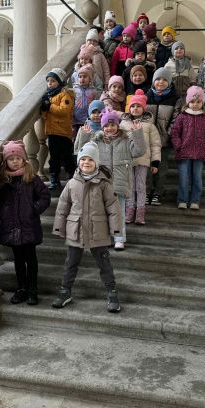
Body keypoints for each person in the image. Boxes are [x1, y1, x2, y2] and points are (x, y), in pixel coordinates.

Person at [51, 141, 122, 313]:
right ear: (78, 162)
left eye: (90, 159)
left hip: (98, 231)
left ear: (96, 162)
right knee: (70, 263)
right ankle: (65, 291)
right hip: (76, 230)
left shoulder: (104, 184)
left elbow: (113, 208)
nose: (86, 163)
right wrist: (59, 228)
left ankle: (112, 292)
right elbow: (63, 207)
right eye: (83, 159)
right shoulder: (71, 183)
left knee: (104, 264)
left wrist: (115, 230)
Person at [0, 140, 51, 305]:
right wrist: (0, 214)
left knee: (31, 259)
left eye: (18, 158)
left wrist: (33, 208)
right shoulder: (2, 180)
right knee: (18, 260)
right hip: (11, 226)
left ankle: (32, 290)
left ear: (24, 159)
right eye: (11, 159)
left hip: (28, 226)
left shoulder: (31, 177)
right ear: (6, 161)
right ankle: (21, 289)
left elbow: (45, 196)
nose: (15, 161)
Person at [79, 109, 145, 251]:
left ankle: (119, 239)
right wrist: (85, 135)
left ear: (117, 125)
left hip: (119, 184)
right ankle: (106, 238)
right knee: (102, 213)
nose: (110, 128)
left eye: (113, 125)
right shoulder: (97, 141)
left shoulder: (126, 140)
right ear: (102, 127)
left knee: (118, 213)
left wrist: (137, 133)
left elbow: (139, 151)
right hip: (101, 184)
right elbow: (82, 151)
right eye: (106, 126)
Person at [119, 89, 161, 225]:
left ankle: (140, 214)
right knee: (130, 187)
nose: (135, 108)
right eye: (133, 106)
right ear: (129, 108)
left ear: (144, 109)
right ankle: (129, 211)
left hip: (143, 160)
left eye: (138, 106)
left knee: (141, 187)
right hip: (127, 160)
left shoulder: (149, 125)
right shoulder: (123, 124)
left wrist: (155, 162)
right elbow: (118, 142)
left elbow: (155, 144)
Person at [171, 86, 205, 210]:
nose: (195, 104)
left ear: (202, 103)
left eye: (198, 102)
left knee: (197, 178)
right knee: (184, 178)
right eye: (192, 101)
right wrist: (178, 145)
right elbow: (175, 132)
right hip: (184, 153)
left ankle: (195, 200)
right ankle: (183, 200)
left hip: (200, 153)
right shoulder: (182, 117)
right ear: (187, 102)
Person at [145, 68, 177, 206]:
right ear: (153, 81)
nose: (161, 82)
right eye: (158, 79)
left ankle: (158, 192)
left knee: (161, 169)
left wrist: (168, 134)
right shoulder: (146, 97)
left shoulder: (175, 99)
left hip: (164, 141)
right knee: (147, 168)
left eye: (164, 80)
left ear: (169, 82)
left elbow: (175, 119)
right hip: (147, 140)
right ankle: (147, 192)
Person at [40, 67, 76, 191]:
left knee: (67, 156)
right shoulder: (48, 95)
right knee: (54, 158)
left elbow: (63, 111)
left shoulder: (64, 94)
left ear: (59, 82)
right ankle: (54, 179)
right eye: (48, 81)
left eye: (53, 81)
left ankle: (72, 176)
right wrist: (44, 108)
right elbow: (45, 115)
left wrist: (49, 106)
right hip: (52, 132)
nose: (50, 83)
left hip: (63, 132)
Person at [72, 65, 98, 138]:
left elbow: (95, 105)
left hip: (88, 119)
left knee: (86, 137)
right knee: (76, 137)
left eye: (85, 77)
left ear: (90, 79)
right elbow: (71, 104)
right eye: (80, 77)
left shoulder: (93, 91)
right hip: (76, 119)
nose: (82, 79)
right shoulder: (74, 90)